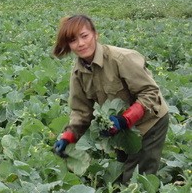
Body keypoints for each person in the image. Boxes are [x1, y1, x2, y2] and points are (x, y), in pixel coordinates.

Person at [52, 14, 169, 183]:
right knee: (121, 173)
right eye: (73, 40)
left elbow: (150, 93)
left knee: (138, 180)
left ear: (95, 34)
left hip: (149, 123)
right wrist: (67, 137)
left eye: (84, 36)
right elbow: (81, 111)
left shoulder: (121, 58)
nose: (81, 44)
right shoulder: (78, 73)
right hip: (120, 129)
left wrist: (124, 120)